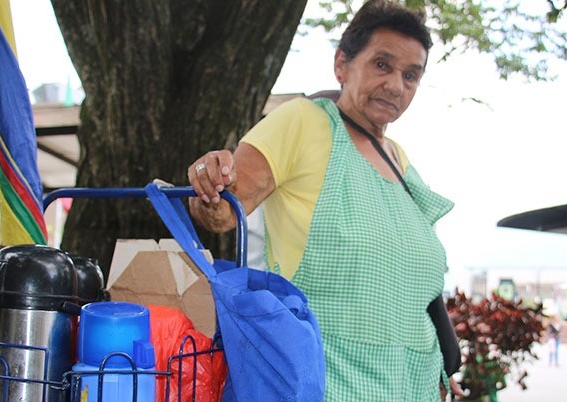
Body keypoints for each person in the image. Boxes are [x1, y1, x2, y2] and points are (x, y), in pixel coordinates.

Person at [187, 1, 462, 400]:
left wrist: (438, 372)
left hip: (414, 387)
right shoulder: (303, 122)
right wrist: (209, 182)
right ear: (342, 65)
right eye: (382, 65)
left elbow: (414, 288)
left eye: (410, 75)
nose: (395, 85)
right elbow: (221, 214)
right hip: (327, 383)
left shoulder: (401, 161)